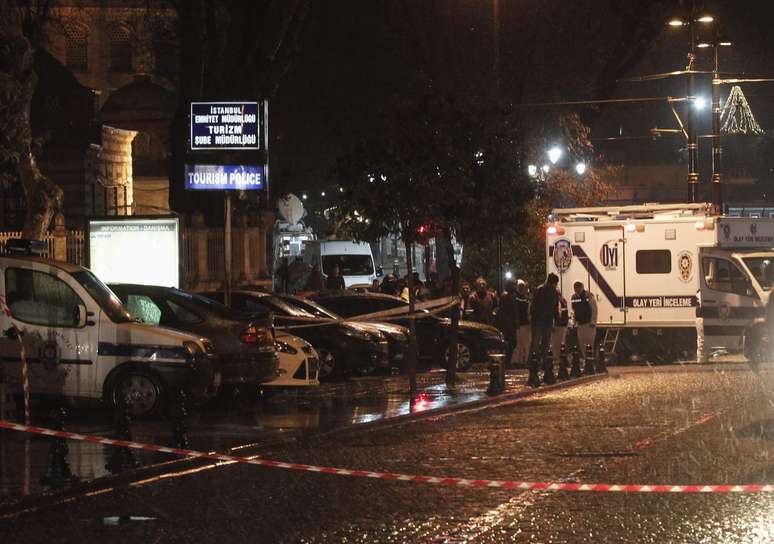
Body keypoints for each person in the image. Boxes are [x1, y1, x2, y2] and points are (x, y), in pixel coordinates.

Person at [530, 273, 560, 356]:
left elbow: (555, 307)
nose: (555, 285)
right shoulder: (540, 290)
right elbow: (534, 306)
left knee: (545, 343)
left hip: (545, 321)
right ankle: (535, 360)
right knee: (537, 343)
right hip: (539, 321)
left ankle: (542, 360)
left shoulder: (553, 292)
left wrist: (556, 319)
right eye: (555, 283)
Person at [571, 280, 598, 357]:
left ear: (581, 287)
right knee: (581, 343)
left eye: (577, 288)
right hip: (580, 324)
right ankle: (586, 359)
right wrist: (574, 321)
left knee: (590, 343)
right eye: (575, 288)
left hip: (589, 324)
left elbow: (594, 309)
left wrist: (593, 321)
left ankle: (590, 359)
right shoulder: (574, 297)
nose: (576, 289)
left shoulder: (588, 296)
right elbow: (574, 310)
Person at [497, 280, 520, 367]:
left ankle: (507, 361)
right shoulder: (505, 296)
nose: (515, 287)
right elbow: (504, 312)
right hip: (507, 324)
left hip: (511, 323)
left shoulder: (511, 296)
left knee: (512, 343)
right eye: (513, 285)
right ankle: (506, 361)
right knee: (510, 342)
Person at [514, 280, 531, 367]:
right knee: (519, 344)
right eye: (520, 286)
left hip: (525, 324)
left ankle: (525, 360)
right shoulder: (516, 297)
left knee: (526, 344)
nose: (522, 288)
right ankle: (519, 361)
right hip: (520, 324)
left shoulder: (526, 298)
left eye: (523, 286)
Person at [551, 297, 569, 366]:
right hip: (555, 326)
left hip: (562, 325)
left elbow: (565, 314)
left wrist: (566, 325)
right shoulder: (552, 302)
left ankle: (562, 358)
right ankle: (555, 358)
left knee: (562, 342)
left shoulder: (563, 302)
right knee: (554, 343)